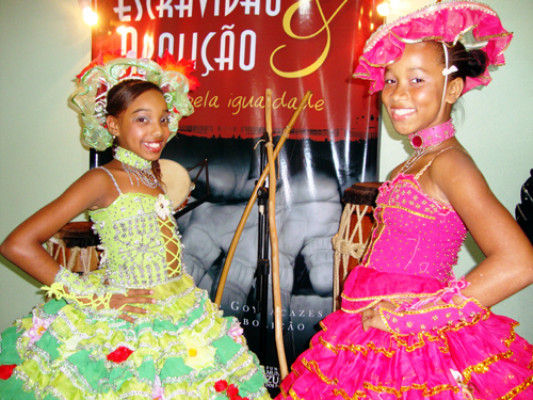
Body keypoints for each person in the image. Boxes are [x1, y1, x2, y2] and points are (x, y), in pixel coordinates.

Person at [275, 1, 533, 399]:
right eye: (391, 80)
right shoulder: (412, 165)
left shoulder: (450, 164)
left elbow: (519, 262)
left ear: (452, 89)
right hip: (370, 332)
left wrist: (415, 319)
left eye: (416, 80)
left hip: (413, 348)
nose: (397, 94)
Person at [0, 53, 271, 400]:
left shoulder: (152, 173)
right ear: (113, 125)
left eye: (163, 119)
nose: (157, 131)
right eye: (142, 119)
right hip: (128, 317)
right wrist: (92, 298)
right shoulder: (102, 179)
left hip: (179, 305)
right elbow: (17, 244)